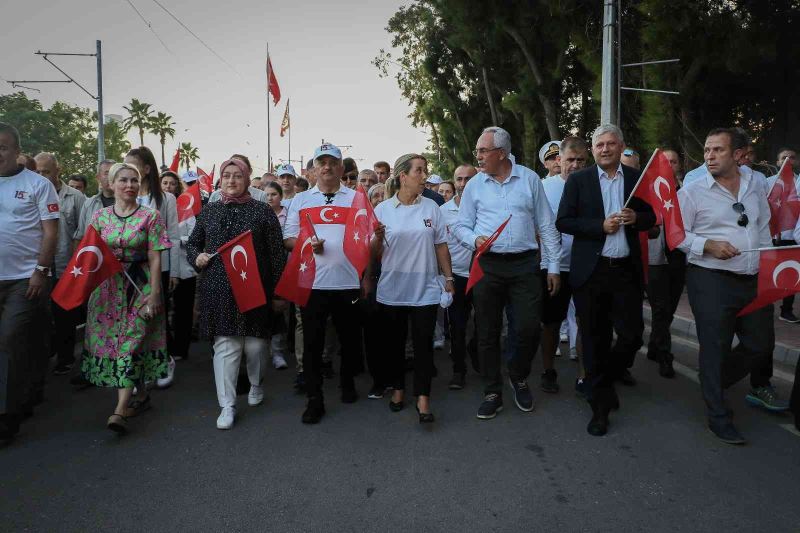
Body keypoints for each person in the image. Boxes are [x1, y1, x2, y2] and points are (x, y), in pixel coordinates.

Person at [678, 127, 788, 445]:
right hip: (710, 280)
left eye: (718, 150)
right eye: (707, 150)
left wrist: (769, 270)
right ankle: (718, 415)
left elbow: (762, 226)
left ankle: (714, 380)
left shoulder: (754, 184)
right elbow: (677, 235)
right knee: (716, 347)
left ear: (737, 155)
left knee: (760, 345)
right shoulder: (693, 191)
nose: (710, 156)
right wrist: (706, 245)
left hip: (752, 279)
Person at [454, 126, 561, 419]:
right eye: (477, 150)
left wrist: (553, 266)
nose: (477, 156)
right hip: (488, 265)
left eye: (482, 150)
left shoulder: (529, 179)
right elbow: (460, 225)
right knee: (486, 330)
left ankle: (518, 375)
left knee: (527, 327)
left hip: (526, 265)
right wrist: (474, 239)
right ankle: (492, 389)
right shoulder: (475, 185)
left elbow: (546, 225)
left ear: (501, 153)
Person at [556, 124, 656, 437]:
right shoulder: (579, 180)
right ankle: (600, 407)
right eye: (599, 145)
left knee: (632, 336)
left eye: (611, 144)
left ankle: (602, 380)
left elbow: (652, 217)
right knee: (594, 339)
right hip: (591, 272)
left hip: (625, 270)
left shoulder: (635, 180)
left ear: (620, 146)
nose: (605, 149)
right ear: (592, 150)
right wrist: (599, 225)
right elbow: (564, 221)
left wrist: (637, 219)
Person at [187, 158, 286, 430]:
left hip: (255, 290)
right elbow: (193, 244)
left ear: (246, 178)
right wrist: (198, 257)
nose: (231, 180)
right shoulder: (209, 211)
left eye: (237, 176)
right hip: (219, 292)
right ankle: (227, 405)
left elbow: (277, 255)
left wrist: (278, 294)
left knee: (255, 347)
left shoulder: (262, 212)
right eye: (226, 175)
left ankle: (255, 384)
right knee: (227, 348)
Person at [80, 162, 172, 434]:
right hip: (107, 290)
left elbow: (156, 256)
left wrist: (155, 293)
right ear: (111, 184)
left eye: (134, 180)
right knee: (119, 344)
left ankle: (120, 409)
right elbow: (89, 254)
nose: (129, 185)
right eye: (123, 180)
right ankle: (141, 395)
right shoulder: (100, 218)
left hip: (141, 285)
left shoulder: (151, 216)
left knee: (130, 343)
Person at [283, 144, 364, 424]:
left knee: (350, 340)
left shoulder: (356, 198)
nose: (327, 167)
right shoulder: (301, 200)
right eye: (322, 162)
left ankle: (347, 382)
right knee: (313, 344)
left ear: (342, 169)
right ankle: (314, 399)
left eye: (333, 162)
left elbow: (365, 239)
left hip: (348, 282)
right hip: (313, 283)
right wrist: (307, 244)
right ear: (313, 169)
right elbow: (289, 239)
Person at [371, 154, 454, 423]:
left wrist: (449, 278)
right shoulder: (382, 210)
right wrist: (378, 238)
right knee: (394, 345)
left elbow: (441, 245)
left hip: (425, 287)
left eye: (425, 170)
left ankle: (423, 397)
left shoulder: (431, 207)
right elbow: (373, 253)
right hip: (393, 288)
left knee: (423, 345)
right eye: (419, 170)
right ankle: (398, 389)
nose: (424, 175)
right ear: (403, 176)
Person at [0, 123, 59, 441]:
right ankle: (24, 393)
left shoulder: (37, 184)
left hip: (25, 279)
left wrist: (40, 270)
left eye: (3, 147)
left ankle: (6, 418)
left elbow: (51, 231)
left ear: (15, 150)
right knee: (21, 343)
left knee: (8, 341)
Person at [124, 147, 180, 389]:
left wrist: (174, 271)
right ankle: (139, 368)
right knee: (133, 320)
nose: (128, 171)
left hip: (159, 267)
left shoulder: (165, 199)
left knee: (156, 316)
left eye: (133, 165)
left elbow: (174, 237)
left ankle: (164, 361)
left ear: (147, 169)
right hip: (131, 269)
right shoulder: (127, 197)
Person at [538, 137, 588, 394]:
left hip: (586, 266)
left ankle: (583, 375)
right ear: (559, 161)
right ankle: (548, 370)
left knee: (584, 320)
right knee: (551, 322)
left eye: (581, 160)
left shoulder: (595, 185)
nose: (575, 165)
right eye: (570, 160)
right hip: (552, 267)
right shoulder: (545, 187)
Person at [34, 153, 87, 376]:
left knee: (64, 316)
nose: (41, 176)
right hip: (38, 267)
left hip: (67, 267)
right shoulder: (32, 193)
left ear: (58, 170)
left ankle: (65, 359)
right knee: (39, 315)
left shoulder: (75, 197)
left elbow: (83, 233)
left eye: (46, 171)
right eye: (37, 172)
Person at [646, 150, 687, 378]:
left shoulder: (687, 191)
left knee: (669, 308)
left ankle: (654, 344)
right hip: (654, 258)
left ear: (679, 165)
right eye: (665, 161)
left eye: (673, 161)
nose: (669, 165)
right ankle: (664, 355)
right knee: (660, 308)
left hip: (677, 256)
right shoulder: (648, 191)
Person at [441, 164, 477, 390]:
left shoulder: (485, 207)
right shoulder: (443, 211)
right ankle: (458, 371)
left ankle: (477, 353)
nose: (463, 184)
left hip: (483, 275)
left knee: (485, 324)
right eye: (459, 179)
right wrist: (445, 276)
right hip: (456, 277)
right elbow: (439, 245)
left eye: (468, 179)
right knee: (457, 326)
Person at [169, 171, 199, 362]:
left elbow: (195, 237)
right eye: (164, 183)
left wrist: (175, 240)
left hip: (184, 268)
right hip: (162, 266)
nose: (168, 187)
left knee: (183, 311)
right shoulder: (152, 208)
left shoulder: (186, 208)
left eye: (172, 184)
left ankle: (181, 348)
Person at [767, 147, 800, 323]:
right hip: (773, 237)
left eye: (792, 157)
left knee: (792, 275)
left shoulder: (799, 182)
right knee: (769, 274)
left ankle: (786, 310)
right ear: (778, 161)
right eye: (784, 157)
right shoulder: (769, 183)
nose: (788, 160)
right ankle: (764, 309)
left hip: (794, 237)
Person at [264, 181, 290, 370]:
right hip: (264, 269)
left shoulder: (288, 215)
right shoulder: (259, 215)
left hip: (285, 266)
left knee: (279, 311)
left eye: (273, 194)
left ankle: (278, 352)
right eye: (267, 195)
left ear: (280, 196)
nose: (270, 198)